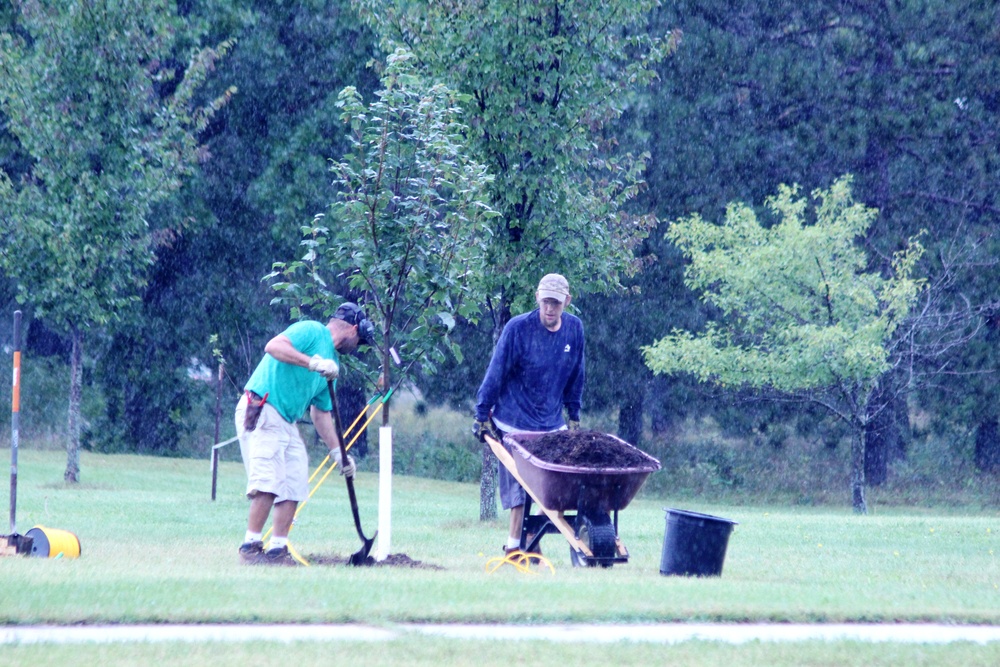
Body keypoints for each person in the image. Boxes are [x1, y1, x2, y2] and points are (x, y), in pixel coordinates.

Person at [235, 302, 376, 565]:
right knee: (268, 479)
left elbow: (320, 415)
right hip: (262, 407)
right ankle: (250, 547)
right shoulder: (312, 330)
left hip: (286, 421)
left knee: (295, 480)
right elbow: (273, 347)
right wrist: (312, 362)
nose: (357, 348)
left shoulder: (333, 365)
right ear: (353, 329)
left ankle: (278, 549)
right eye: (359, 341)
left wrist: (339, 454)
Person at [472, 273, 585, 555]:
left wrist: (574, 414)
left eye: (556, 303)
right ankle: (513, 549)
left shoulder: (574, 330)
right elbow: (496, 371)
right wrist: (482, 414)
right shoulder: (518, 329)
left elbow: (577, 375)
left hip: (551, 425)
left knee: (550, 490)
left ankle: (532, 543)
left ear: (566, 302)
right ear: (537, 297)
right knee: (520, 490)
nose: (550, 308)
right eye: (546, 301)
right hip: (513, 423)